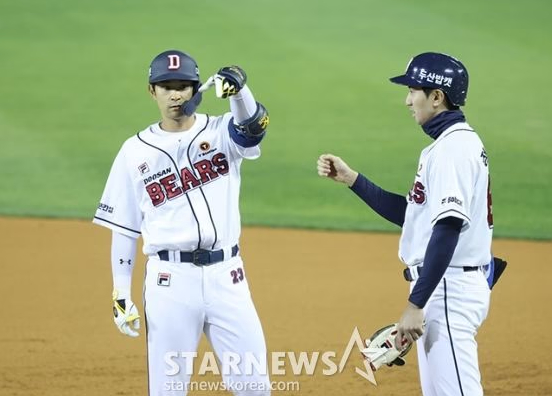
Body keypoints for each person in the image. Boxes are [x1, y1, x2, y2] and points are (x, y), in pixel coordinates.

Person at [93, 50, 271, 396]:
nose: (175, 95)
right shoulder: (134, 151)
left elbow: (252, 131)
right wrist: (120, 292)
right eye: (166, 87)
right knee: (168, 390)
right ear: (152, 91)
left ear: (195, 90)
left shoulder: (221, 131)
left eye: (183, 87)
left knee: (254, 386)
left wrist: (240, 91)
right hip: (170, 283)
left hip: (228, 278)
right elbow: (125, 228)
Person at [318, 52, 493, 395]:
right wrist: (354, 180)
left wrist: (415, 304)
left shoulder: (452, 149)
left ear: (437, 96)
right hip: (445, 287)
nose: (407, 100)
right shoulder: (449, 145)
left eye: (413, 90)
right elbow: (417, 218)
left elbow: (447, 229)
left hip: (447, 289)